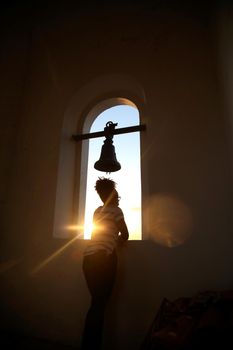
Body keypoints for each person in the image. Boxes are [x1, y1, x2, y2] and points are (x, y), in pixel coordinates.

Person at [81, 177, 129, 350]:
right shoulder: (117, 211)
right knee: (99, 305)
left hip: (88, 258)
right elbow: (125, 234)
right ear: (113, 192)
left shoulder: (97, 211)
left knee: (95, 304)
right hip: (104, 258)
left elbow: (98, 232)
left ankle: (88, 345)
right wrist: (117, 242)